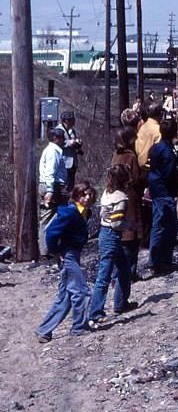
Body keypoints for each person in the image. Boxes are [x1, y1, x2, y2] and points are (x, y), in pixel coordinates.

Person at [35, 183, 97, 341]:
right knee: (81, 291)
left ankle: (44, 330)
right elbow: (51, 232)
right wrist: (55, 251)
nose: (87, 198)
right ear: (76, 196)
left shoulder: (85, 212)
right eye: (84, 195)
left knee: (66, 295)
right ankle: (79, 327)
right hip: (67, 255)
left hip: (73, 254)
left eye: (90, 195)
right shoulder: (70, 212)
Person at [88, 164, 135, 326]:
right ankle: (95, 312)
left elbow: (102, 214)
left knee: (123, 268)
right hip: (112, 235)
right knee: (104, 275)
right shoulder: (121, 198)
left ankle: (121, 303)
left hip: (104, 233)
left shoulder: (107, 193)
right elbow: (117, 223)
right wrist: (129, 224)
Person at [110, 126, 144, 287]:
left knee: (122, 238)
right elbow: (136, 179)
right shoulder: (131, 156)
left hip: (116, 196)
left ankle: (122, 272)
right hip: (130, 199)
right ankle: (127, 273)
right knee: (132, 236)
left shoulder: (115, 155)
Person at [147, 118, 178, 274]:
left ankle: (157, 260)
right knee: (166, 226)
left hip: (156, 188)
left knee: (160, 224)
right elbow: (169, 174)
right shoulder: (167, 151)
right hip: (164, 191)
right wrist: (177, 188)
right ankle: (160, 261)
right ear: (174, 132)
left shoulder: (157, 147)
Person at [37, 128, 68, 256]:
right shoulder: (52, 152)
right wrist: (50, 191)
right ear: (56, 138)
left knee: (55, 216)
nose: (63, 140)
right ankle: (45, 249)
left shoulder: (52, 151)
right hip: (53, 187)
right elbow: (50, 172)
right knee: (48, 217)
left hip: (53, 186)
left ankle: (52, 246)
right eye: (62, 138)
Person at [54, 110, 83, 189]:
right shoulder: (58, 130)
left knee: (70, 185)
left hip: (73, 162)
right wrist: (71, 142)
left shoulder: (72, 130)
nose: (74, 121)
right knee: (64, 186)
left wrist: (77, 145)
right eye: (72, 119)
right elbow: (58, 143)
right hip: (64, 162)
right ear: (66, 120)